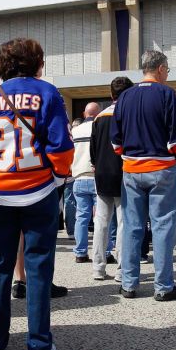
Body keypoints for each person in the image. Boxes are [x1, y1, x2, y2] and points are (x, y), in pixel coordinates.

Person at [0, 37, 74, 350]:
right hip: (38, 191)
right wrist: (57, 177)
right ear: (37, 62)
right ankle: (39, 348)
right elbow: (62, 147)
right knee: (39, 270)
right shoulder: (47, 92)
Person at [112, 50, 176, 301]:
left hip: (132, 170)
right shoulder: (169, 95)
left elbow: (116, 143)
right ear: (161, 68)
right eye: (167, 69)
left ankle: (129, 284)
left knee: (132, 227)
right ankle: (163, 286)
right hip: (162, 168)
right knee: (163, 227)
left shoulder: (124, 97)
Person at [90, 76, 134, 281]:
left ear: (111, 95)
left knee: (101, 222)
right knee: (124, 223)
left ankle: (98, 268)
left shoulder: (99, 117)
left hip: (101, 174)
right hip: (124, 172)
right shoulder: (130, 114)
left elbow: (93, 150)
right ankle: (122, 269)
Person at [71, 102, 101, 263]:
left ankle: (80, 252)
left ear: (84, 114)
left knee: (81, 217)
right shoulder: (100, 128)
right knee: (101, 217)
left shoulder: (75, 131)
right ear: (98, 114)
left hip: (79, 177)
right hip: (96, 177)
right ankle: (105, 252)